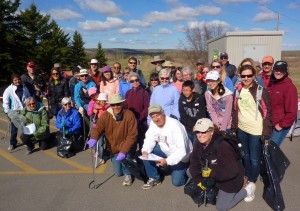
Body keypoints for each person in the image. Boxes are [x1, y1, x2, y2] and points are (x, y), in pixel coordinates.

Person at [189, 118, 256, 210]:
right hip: (212, 173)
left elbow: (232, 171)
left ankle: (247, 190)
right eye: (197, 132)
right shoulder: (198, 142)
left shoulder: (222, 146)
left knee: (221, 207)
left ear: (211, 131)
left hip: (232, 179)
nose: (200, 135)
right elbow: (194, 161)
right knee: (189, 171)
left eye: (203, 132)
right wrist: (198, 180)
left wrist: (211, 175)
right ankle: (215, 187)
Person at [232, 65, 272, 202]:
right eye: (243, 76)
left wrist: (266, 132)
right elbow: (234, 110)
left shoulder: (260, 91)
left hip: (255, 130)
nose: (246, 78)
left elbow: (267, 113)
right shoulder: (238, 90)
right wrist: (234, 128)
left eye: (249, 75)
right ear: (240, 77)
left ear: (254, 75)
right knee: (245, 155)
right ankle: (248, 175)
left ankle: (252, 180)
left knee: (255, 158)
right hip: (242, 129)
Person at [87, 94, 138, 186]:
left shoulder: (129, 115)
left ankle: (128, 173)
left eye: (118, 104)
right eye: (113, 105)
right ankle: (128, 164)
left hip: (125, 147)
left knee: (126, 161)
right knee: (118, 173)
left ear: (122, 104)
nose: (116, 107)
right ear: (110, 105)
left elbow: (132, 135)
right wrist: (94, 138)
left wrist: (123, 151)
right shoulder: (106, 115)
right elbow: (97, 128)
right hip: (113, 147)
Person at [141, 104, 193, 189]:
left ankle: (187, 168)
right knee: (147, 154)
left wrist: (167, 161)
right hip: (165, 150)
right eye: (153, 117)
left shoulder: (175, 126)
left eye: (157, 115)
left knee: (177, 182)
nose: (156, 119)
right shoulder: (153, 124)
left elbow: (182, 151)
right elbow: (149, 139)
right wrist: (145, 151)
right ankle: (154, 177)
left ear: (163, 113)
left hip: (182, 156)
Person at [268, 61, 298, 146]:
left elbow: (292, 111)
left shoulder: (289, 87)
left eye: (281, 70)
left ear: (286, 71)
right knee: (267, 150)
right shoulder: (272, 84)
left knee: (271, 149)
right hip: (270, 123)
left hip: (280, 126)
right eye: (276, 69)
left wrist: (282, 125)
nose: (278, 72)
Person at [3, 74, 32, 150]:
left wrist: (29, 106)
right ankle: (12, 143)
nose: (17, 81)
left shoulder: (24, 87)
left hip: (24, 110)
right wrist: (7, 112)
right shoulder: (9, 89)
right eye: (15, 80)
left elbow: (29, 97)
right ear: (12, 81)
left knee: (25, 127)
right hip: (14, 111)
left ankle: (26, 141)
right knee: (14, 129)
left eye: (18, 79)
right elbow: (5, 102)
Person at [124, 72, 150, 153]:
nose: (135, 82)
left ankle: (142, 163)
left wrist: (138, 119)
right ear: (130, 82)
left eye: (136, 80)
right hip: (130, 123)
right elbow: (126, 106)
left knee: (142, 144)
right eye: (132, 81)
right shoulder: (128, 93)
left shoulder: (144, 93)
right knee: (132, 144)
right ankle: (132, 161)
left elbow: (146, 108)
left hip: (141, 123)